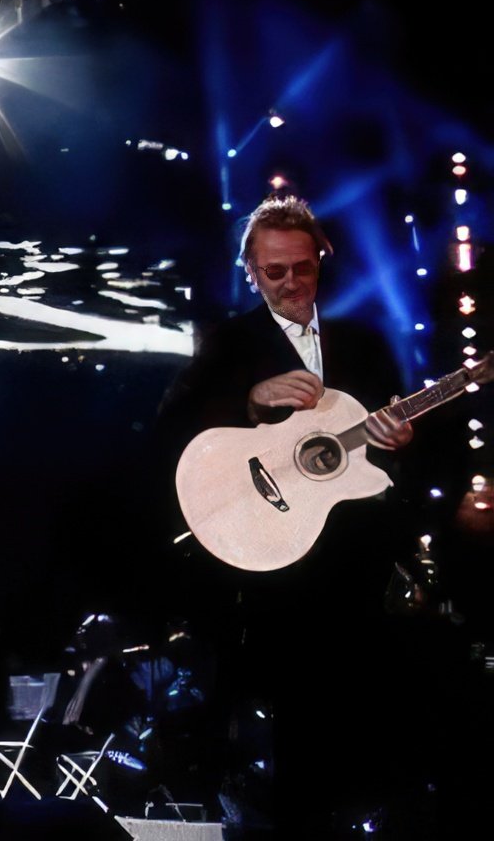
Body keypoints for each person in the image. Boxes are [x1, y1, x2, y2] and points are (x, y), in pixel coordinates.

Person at [156, 195, 441, 835]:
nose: (290, 284)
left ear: (321, 262)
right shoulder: (230, 343)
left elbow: (395, 462)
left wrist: (400, 444)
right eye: (274, 272)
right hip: (271, 575)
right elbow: (170, 428)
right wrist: (249, 399)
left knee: (364, 738)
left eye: (301, 269)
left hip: (356, 569)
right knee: (288, 747)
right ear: (251, 273)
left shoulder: (365, 346)